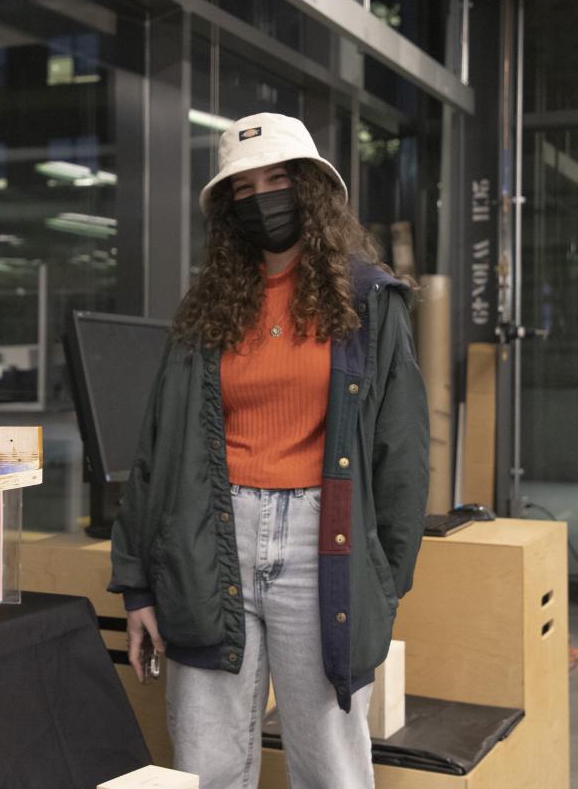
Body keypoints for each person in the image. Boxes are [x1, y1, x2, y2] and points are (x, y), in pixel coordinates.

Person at [108, 113, 429, 789]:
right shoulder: (208, 311)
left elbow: (402, 455)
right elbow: (158, 450)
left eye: (278, 180)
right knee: (207, 759)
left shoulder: (370, 301)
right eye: (245, 189)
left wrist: (382, 578)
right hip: (211, 539)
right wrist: (137, 581)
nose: (263, 199)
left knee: (330, 765)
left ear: (310, 189)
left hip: (326, 543)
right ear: (229, 210)